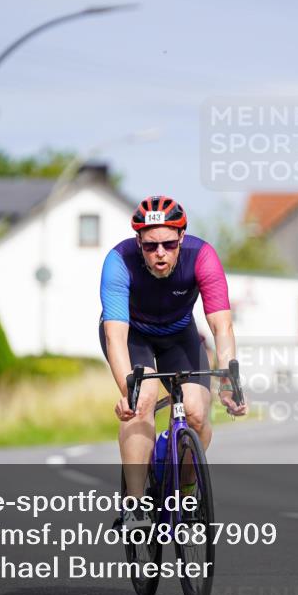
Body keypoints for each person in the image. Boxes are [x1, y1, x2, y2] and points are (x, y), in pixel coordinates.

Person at [99, 195, 246, 528]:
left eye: (168, 243)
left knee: (195, 411)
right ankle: (136, 506)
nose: (160, 253)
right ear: (139, 242)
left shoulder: (202, 256)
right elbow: (115, 338)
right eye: (150, 246)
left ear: (182, 237)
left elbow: (221, 326)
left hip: (179, 335)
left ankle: (187, 489)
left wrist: (228, 381)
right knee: (144, 399)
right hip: (133, 336)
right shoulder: (119, 261)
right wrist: (129, 390)